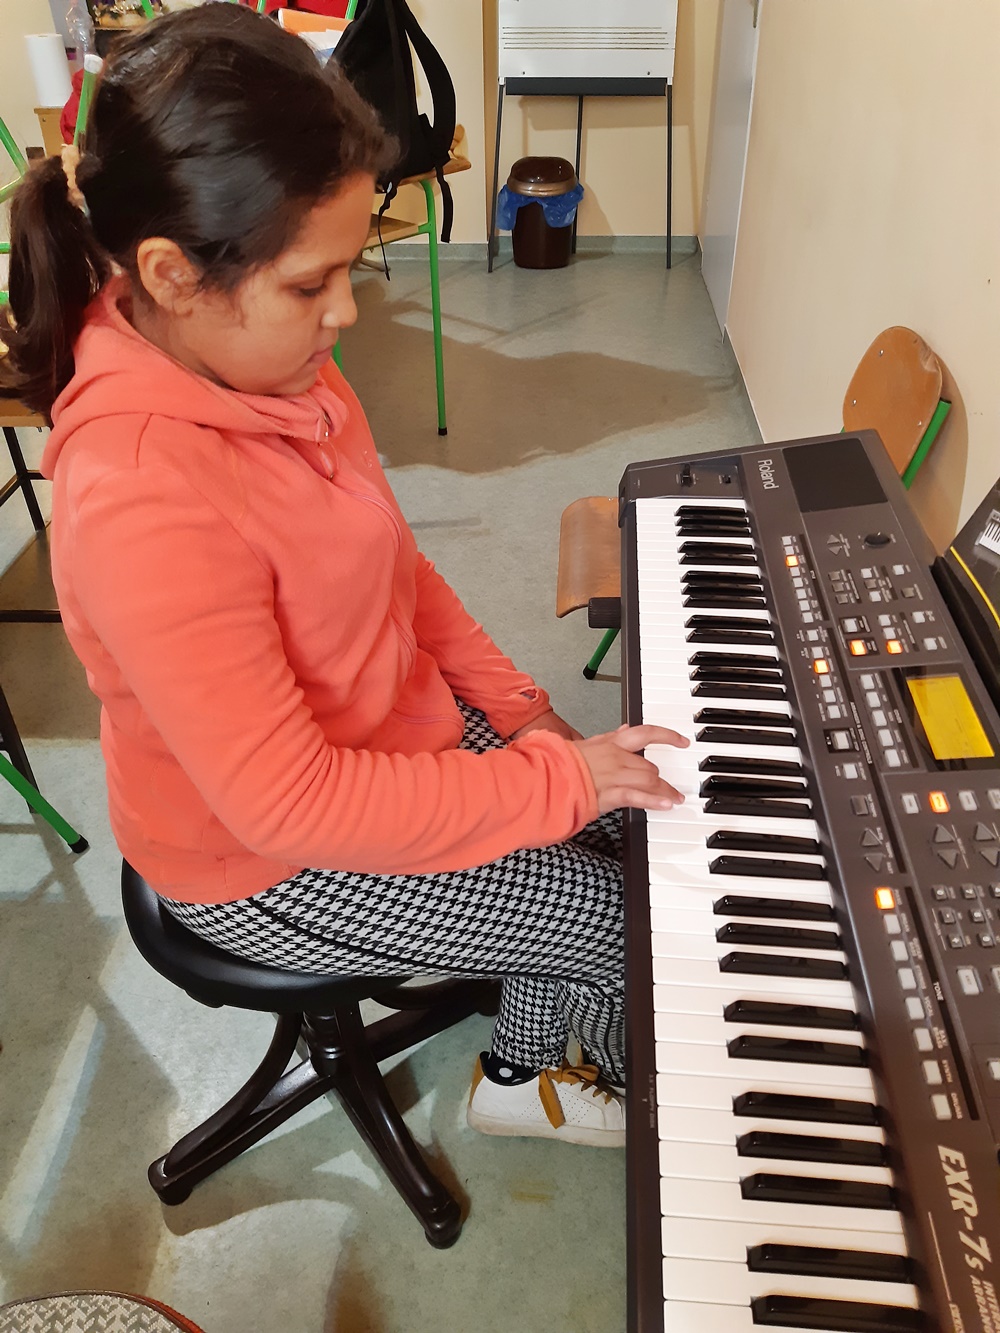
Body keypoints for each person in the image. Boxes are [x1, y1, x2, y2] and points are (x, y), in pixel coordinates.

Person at [0, 4, 688, 1147]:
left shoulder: (275, 370)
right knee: (631, 923)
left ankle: (519, 1058)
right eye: (310, 282)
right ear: (173, 274)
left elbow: (393, 564)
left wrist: (526, 716)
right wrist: (550, 785)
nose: (348, 310)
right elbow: (292, 802)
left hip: (379, 732)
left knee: (629, 832)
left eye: (352, 265)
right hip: (266, 859)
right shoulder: (142, 495)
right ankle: (567, 1082)